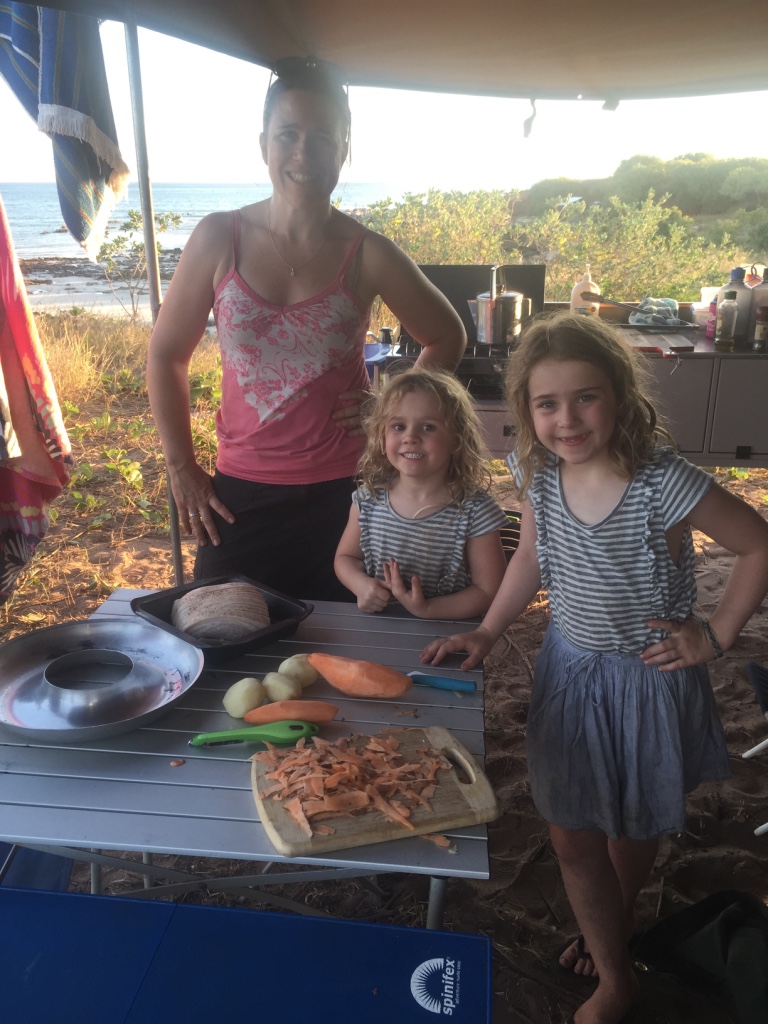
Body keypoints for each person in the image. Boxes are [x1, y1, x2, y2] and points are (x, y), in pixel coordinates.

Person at [421, 312, 768, 1024]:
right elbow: (530, 556)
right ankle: (617, 975)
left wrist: (715, 635)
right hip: (570, 672)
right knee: (571, 834)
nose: (567, 419)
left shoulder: (662, 481)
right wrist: (488, 629)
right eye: (547, 403)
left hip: (647, 680)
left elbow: (758, 543)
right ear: (527, 411)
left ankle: (615, 921)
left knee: (631, 828)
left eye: (585, 397)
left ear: (619, 394)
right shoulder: (538, 474)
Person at [146, 57, 465, 601]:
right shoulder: (218, 239)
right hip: (239, 497)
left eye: (322, 139)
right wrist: (181, 466)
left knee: (344, 642)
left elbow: (447, 336)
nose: (302, 154)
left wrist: (388, 408)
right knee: (225, 635)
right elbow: (166, 354)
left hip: (350, 493)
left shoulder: (367, 253)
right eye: (287, 135)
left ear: (344, 150)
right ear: (263, 144)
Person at [334, 367, 508, 618]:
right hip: (377, 627)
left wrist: (429, 609)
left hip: (447, 631)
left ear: (456, 439)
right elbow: (346, 558)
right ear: (381, 436)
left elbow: (488, 590)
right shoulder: (367, 499)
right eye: (398, 426)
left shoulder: (476, 510)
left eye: (428, 427)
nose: (410, 437)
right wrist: (360, 584)